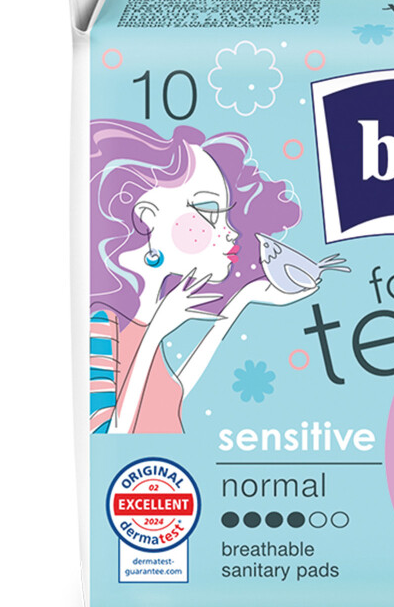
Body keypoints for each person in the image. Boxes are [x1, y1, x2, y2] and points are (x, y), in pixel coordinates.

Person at [89, 120, 313, 433]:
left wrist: (243, 299)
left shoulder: (147, 312)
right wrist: (154, 333)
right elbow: (108, 436)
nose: (231, 231)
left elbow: (168, 400)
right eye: (209, 211)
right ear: (147, 216)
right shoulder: (101, 322)